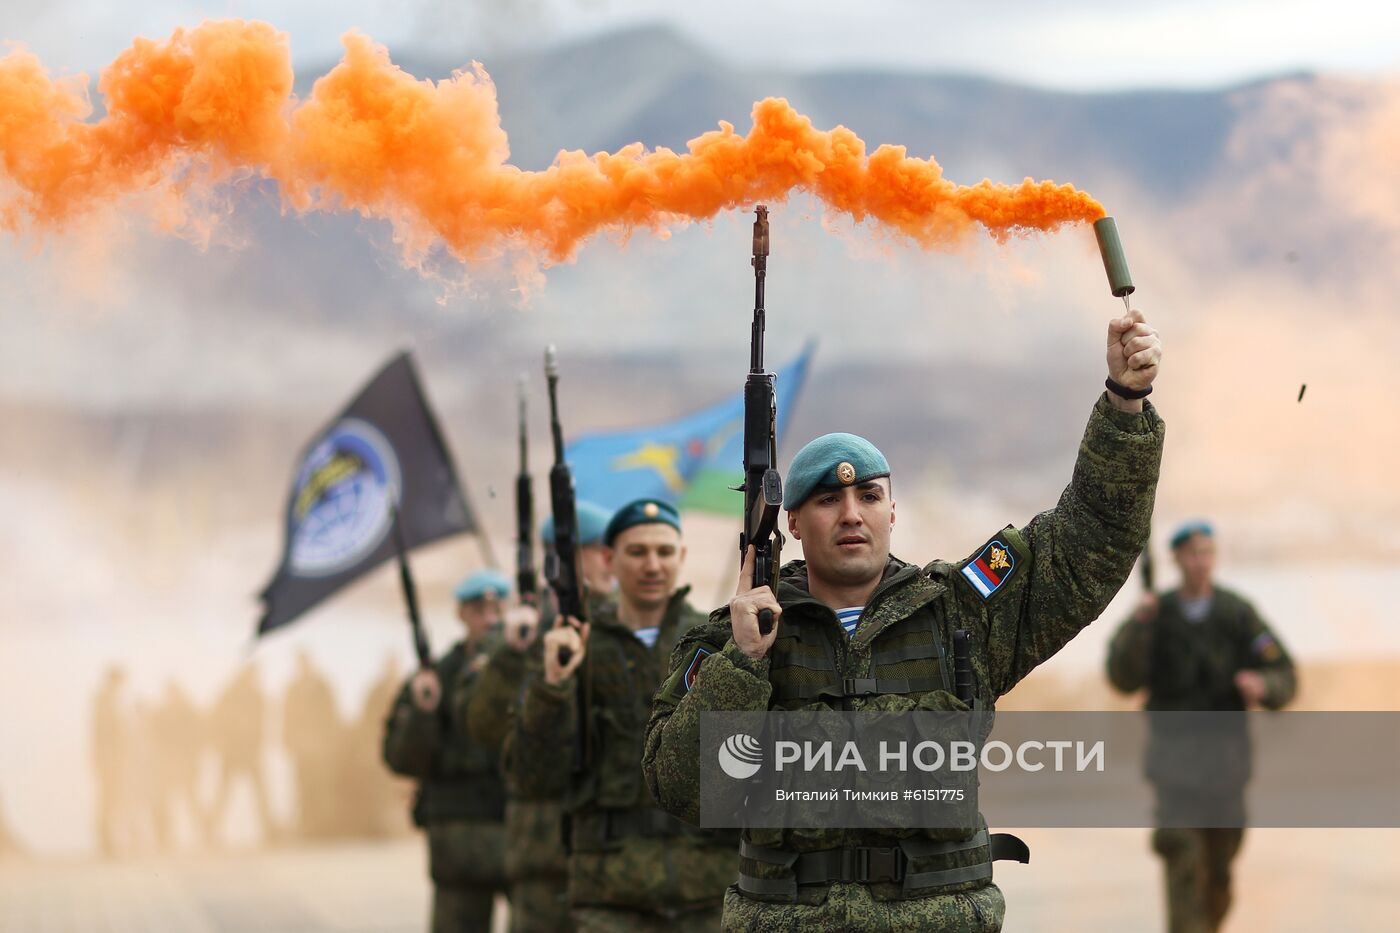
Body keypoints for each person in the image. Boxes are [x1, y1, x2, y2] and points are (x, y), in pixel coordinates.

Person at [644, 309, 1165, 931]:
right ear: (793, 524)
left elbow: (1091, 540)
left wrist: (1124, 402)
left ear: (894, 510)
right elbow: (683, 791)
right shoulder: (735, 637)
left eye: (868, 496)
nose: (851, 514)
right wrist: (743, 663)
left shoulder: (960, 614)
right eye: (828, 500)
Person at [510, 499, 738, 932]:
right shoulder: (572, 645)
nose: (653, 565)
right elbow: (531, 775)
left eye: (664, 552)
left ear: (682, 557)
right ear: (610, 560)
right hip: (608, 895)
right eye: (637, 552)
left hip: (708, 892)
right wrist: (552, 687)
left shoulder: (714, 643)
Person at [1107, 520, 1296, 933]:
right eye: (1194, 553)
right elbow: (1122, 677)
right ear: (1177, 559)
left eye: (1208, 552)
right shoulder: (1157, 615)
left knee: (1220, 879)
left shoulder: (1237, 614)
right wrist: (1139, 625)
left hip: (1226, 774)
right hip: (1175, 777)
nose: (1202, 562)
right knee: (1185, 871)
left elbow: (1284, 672)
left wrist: (1264, 684)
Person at [463, 500, 613, 933]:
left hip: (616, 857)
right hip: (544, 855)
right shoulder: (520, 636)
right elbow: (484, 727)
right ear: (562, 559)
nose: (610, 562)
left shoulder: (630, 624)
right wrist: (513, 655)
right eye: (596, 550)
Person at [383, 568, 511, 933]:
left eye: (496, 610)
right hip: (459, 842)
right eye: (478, 611)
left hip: (518, 830)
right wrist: (423, 715)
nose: (488, 620)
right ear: (461, 615)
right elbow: (400, 758)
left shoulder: (531, 668)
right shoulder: (436, 676)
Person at [282, 651, 344, 841]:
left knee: (322, 789)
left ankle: (324, 828)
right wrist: (289, 742)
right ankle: (308, 827)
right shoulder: (293, 689)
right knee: (304, 789)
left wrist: (330, 741)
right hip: (302, 749)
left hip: (320, 748)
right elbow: (287, 718)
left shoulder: (322, 687)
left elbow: (331, 715)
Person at [91, 666, 131, 858]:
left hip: (109, 757)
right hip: (109, 758)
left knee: (110, 799)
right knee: (108, 799)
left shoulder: (105, 700)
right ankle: (106, 842)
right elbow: (106, 731)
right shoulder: (105, 701)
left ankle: (108, 841)